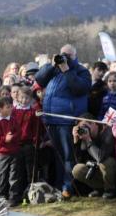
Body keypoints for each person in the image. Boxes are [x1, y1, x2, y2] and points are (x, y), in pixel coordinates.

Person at [34, 44, 92, 198]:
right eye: (62, 54)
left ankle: (67, 187)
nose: (64, 57)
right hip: (51, 119)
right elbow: (39, 79)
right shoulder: (54, 70)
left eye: (68, 55)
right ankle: (57, 186)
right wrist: (51, 65)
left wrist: (67, 70)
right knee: (57, 155)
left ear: (74, 56)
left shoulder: (82, 71)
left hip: (68, 120)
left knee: (68, 156)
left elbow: (79, 88)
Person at [71, 115, 116, 198]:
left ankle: (110, 190)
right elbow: (79, 161)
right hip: (97, 170)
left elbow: (100, 157)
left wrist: (88, 140)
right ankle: (99, 189)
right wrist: (76, 141)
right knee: (77, 169)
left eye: (85, 126)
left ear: (94, 123)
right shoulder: (84, 136)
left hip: (114, 170)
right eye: (81, 127)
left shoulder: (107, 132)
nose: (83, 129)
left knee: (106, 162)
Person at [0, 96, 23, 206]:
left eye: (11, 106)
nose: (11, 109)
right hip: (2, 153)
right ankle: (2, 196)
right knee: (2, 176)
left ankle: (13, 197)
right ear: (0, 109)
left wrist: (12, 137)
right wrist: (5, 139)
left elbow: (19, 133)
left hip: (14, 152)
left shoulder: (13, 120)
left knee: (14, 176)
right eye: (8, 107)